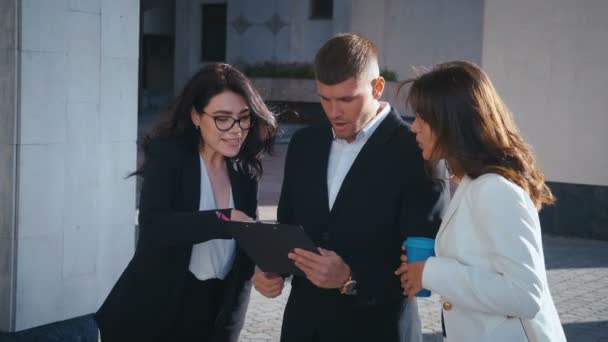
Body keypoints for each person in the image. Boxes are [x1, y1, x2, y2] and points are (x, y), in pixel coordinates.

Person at [253, 33, 447, 342]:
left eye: (346, 99)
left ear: (377, 87)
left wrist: (350, 278)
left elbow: (424, 270)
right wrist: (271, 270)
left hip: (377, 331)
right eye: (325, 98)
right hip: (303, 329)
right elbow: (290, 228)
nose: (333, 112)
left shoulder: (417, 151)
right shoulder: (305, 144)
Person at [95, 63, 277, 341]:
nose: (236, 129)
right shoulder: (169, 157)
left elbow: (242, 260)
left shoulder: (245, 173)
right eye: (222, 118)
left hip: (213, 316)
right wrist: (224, 220)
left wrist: (262, 272)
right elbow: (155, 227)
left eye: (243, 117)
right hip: (151, 316)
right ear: (195, 116)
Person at [397, 60, 566, 341]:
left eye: (421, 117)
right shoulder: (473, 182)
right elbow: (482, 263)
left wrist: (431, 272)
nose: (413, 127)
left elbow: (525, 294)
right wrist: (433, 262)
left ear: (452, 123)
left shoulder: (495, 190)